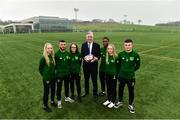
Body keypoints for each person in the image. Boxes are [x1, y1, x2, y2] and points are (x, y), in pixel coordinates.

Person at [115, 39, 140, 113]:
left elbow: (138, 65)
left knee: (131, 91)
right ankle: (120, 101)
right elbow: (117, 64)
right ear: (124, 46)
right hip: (121, 76)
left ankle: (130, 104)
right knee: (120, 90)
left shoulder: (135, 55)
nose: (127, 47)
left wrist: (131, 70)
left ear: (132, 45)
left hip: (131, 77)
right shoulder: (120, 54)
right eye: (126, 45)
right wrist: (120, 72)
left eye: (129, 45)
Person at [81, 31, 100, 101]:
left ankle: (95, 94)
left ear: (93, 37)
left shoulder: (97, 45)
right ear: (86, 38)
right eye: (88, 37)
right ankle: (86, 92)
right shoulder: (83, 45)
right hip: (86, 66)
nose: (89, 38)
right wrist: (84, 58)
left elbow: (99, 55)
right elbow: (82, 54)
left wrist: (96, 58)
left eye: (91, 37)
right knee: (86, 80)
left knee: (94, 80)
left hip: (94, 66)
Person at [55, 40, 74, 109]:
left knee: (67, 86)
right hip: (59, 75)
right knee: (59, 88)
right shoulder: (56, 54)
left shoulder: (68, 54)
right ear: (59, 45)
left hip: (67, 74)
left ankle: (66, 97)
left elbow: (69, 63)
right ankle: (59, 101)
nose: (63, 46)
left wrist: (69, 72)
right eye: (61, 44)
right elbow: (54, 65)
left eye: (64, 44)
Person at [39, 43, 56, 112]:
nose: (50, 49)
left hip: (53, 77)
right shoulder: (43, 58)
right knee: (46, 92)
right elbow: (40, 69)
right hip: (47, 79)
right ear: (45, 49)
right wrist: (45, 76)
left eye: (51, 48)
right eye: (48, 48)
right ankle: (45, 106)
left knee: (53, 90)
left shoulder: (52, 56)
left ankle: (52, 101)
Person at [103, 44, 119, 108]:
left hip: (113, 75)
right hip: (107, 75)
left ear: (113, 49)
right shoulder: (107, 56)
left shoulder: (116, 57)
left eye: (111, 49)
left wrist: (116, 74)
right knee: (108, 87)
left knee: (113, 88)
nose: (109, 50)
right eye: (108, 49)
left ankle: (113, 101)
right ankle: (109, 99)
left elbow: (118, 67)